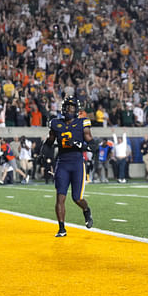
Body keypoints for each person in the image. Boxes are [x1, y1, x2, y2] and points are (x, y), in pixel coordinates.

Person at [41, 96, 96, 237]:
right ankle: (61, 228)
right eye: (66, 107)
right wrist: (43, 155)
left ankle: (86, 210)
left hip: (77, 163)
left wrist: (80, 145)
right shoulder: (55, 123)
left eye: (71, 107)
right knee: (60, 198)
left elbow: (93, 145)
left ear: (76, 110)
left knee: (77, 198)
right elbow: (49, 142)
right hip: (62, 163)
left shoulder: (82, 123)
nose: (68, 110)